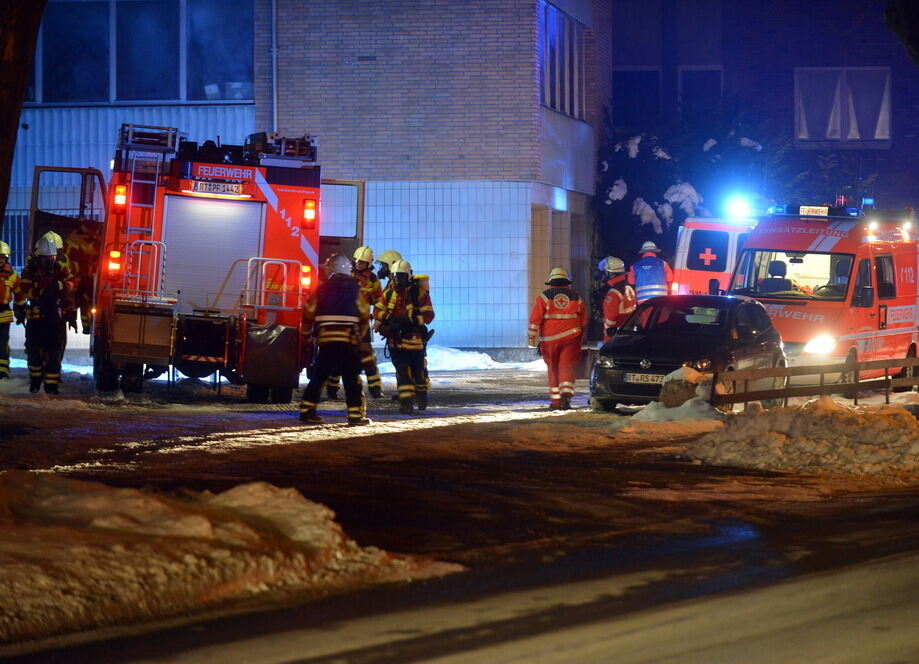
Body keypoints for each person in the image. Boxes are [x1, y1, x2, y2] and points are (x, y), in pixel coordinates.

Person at [298, 253, 371, 426]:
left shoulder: (322, 288)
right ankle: (355, 415)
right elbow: (364, 314)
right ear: (348, 270)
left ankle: (307, 412)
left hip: (327, 340)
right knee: (351, 378)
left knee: (320, 377)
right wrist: (360, 336)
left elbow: (308, 311)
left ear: (330, 269)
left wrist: (307, 334)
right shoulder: (356, 289)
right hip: (349, 341)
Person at [14, 234, 76, 394]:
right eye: (46, 258)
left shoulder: (59, 269)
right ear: (38, 257)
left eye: (52, 257)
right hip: (36, 318)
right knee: (34, 353)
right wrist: (42, 290)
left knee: (54, 354)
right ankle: (35, 382)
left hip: (54, 319)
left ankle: (51, 386)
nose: (50, 261)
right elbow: (25, 291)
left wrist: (62, 286)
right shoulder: (30, 271)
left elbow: (71, 285)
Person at [374, 259, 434, 414]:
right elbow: (377, 311)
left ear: (408, 276)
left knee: (418, 374)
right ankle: (406, 402)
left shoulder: (419, 294)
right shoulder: (387, 293)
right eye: (395, 277)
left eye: (401, 276)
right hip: (397, 343)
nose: (398, 280)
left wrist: (410, 320)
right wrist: (389, 320)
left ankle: (421, 395)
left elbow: (429, 315)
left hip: (415, 344)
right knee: (402, 372)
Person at [325, 246, 386, 399]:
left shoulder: (372, 279)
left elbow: (380, 299)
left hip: (362, 323)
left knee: (367, 356)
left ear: (369, 263)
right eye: (358, 262)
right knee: (338, 355)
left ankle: (375, 389)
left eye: (362, 262)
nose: (359, 265)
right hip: (346, 321)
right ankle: (332, 390)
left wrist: (376, 313)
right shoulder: (345, 274)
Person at [528, 267, 586, 410]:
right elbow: (583, 320)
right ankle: (566, 395)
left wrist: (532, 338)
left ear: (551, 281)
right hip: (571, 338)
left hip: (549, 340)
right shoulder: (576, 297)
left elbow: (535, 319)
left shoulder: (544, 297)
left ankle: (556, 402)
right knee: (567, 367)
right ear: (566, 281)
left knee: (553, 369)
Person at [599, 256, 636, 341]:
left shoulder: (613, 292)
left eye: (605, 272)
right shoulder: (628, 286)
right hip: (629, 332)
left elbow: (610, 317)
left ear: (610, 273)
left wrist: (609, 331)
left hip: (615, 335)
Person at [0, 241, 19, 379]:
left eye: (2, 257)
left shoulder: (11, 274)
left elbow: (19, 292)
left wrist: (21, 308)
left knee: (2, 343)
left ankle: (3, 369)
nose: (0, 260)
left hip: (4, 314)